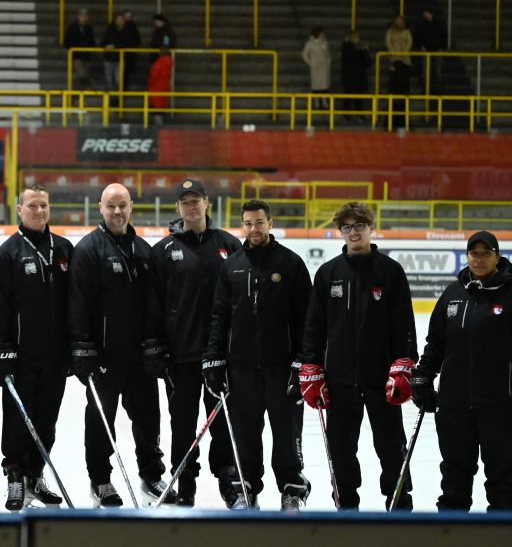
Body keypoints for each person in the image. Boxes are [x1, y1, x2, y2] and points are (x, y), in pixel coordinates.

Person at [301, 201, 418, 511]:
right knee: (341, 448)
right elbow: (314, 326)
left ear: (371, 228)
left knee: (391, 446)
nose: (353, 232)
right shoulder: (328, 273)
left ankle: (399, 501)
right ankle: (346, 502)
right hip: (339, 379)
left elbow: (404, 323)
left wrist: (404, 363)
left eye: (359, 226)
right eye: (347, 227)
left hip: (382, 378)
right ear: (340, 232)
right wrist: (310, 366)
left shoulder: (390, 271)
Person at [204, 200, 312, 511]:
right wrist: (214, 359)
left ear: (270, 223)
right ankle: (244, 488)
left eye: (259, 222)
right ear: (243, 225)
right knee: (245, 433)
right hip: (241, 368)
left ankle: (292, 489)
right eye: (248, 223)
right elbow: (219, 316)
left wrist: (301, 361)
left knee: (286, 432)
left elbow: (306, 319)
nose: (254, 228)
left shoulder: (290, 264)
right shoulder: (232, 265)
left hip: (282, 369)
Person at [68, 183, 164, 507]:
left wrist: (154, 344)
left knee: (149, 417)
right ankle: (101, 479)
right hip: (104, 356)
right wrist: (82, 348)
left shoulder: (144, 250)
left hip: (139, 356)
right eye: (111, 206)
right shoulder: (88, 250)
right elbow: (78, 303)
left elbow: (154, 304)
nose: (117, 212)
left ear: (131, 206)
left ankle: (151, 474)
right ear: (100, 208)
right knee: (99, 420)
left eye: (122, 205)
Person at [145, 178, 240, 507]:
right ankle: (185, 477)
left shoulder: (229, 244)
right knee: (182, 421)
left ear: (206, 203)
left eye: (196, 199)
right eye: (185, 201)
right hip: (180, 355)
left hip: (221, 355)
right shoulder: (164, 251)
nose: (191, 206)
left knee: (223, 419)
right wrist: (156, 346)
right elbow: (153, 304)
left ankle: (228, 476)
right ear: (178, 208)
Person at [0, 185, 73, 511]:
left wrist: (75, 346)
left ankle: (36, 475)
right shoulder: (7, 253)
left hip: (55, 356)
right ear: (19, 210)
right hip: (20, 358)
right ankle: (15, 477)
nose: (39, 211)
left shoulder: (63, 249)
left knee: (46, 420)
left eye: (44, 206)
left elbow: (75, 303)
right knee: (18, 421)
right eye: (32, 206)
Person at [413, 231, 512, 512]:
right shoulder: (453, 293)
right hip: (454, 403)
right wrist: (422, 377)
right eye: (474, 253)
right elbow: (436, 343)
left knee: (503, 480)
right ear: (467, 256)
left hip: (499, 405)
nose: (479, 259)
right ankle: (452, 535)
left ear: (497, 256)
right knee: (454, 478)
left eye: (485, 253)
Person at [385, 16, 413, 128]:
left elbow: (409, 43)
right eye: (397, 21)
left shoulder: (407, 32)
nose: (399, 23)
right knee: (393, 91)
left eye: (401, 21)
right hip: (394, 61)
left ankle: (405, 121)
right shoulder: (390, 32)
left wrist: (403, 54)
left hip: (405, 62)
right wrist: (395, 55)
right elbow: (388, 43)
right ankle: (391, 121)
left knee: (404, 91)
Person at [101, 13, 133, 101]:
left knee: (118, 80)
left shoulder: (127, 32)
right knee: (109, 80)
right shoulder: (109, 31)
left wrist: (114, 46)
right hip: (109, 59)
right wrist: (106, 46)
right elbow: (103, 43)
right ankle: (112, 98)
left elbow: (128, 44)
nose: (119, 21)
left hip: (120, 59)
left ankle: (118, 98)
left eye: (121, 20)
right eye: (118, 20)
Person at [413, 8, 445, 95]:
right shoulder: (421, 25)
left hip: (437, 50)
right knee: (425, 72)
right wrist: (421, 46)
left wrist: (441, 47)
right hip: (426, 50)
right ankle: (425, 89)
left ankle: (437, 89)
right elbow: (416, 37)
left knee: (437, 71)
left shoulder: (438, 24)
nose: (424, 14)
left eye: (425, 12)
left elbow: (443, 36)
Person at [341, 30, 370, 121]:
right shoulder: (346, 47)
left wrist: (365, 52)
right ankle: (347, 116)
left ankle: (358, 116)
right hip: (350, 77)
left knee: (357, 98)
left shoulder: (357, 48)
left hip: (357, 77)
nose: (358, 39)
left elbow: (367, 63)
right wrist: (362, 51)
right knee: (349, 97)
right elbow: (353, 58)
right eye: (356, 37)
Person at [63, 8, 95, 90]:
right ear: (78, 16)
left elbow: (92, 40)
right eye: (82, 16)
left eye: (85, 16)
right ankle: (79, 93)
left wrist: (91, 49)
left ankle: (81, 94)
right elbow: (66, 41)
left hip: (87, 55)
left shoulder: (89, 28)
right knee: (81, 75)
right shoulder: (72, 28)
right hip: (77, 55)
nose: (84, 17)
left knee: (84, 75)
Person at [301, 26, 331, 109]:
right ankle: (317, 102)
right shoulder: (310, 43)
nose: (323, 34)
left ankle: (325, 102)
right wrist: (310, 63)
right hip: (316, 67)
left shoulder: (324, 42)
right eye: (321, 33)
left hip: (324, 67)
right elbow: (304, 54)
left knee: (324, 85)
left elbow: (327, 53)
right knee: (316, 85)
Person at [146, 48, 173, 124]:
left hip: (156, 88)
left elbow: (153, 76)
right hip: (164, 88)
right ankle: (160, 125)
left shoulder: (158, 63)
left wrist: (149, 83)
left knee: (156, 109)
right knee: (161, 108)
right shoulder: (169, 64)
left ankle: (157, 128)